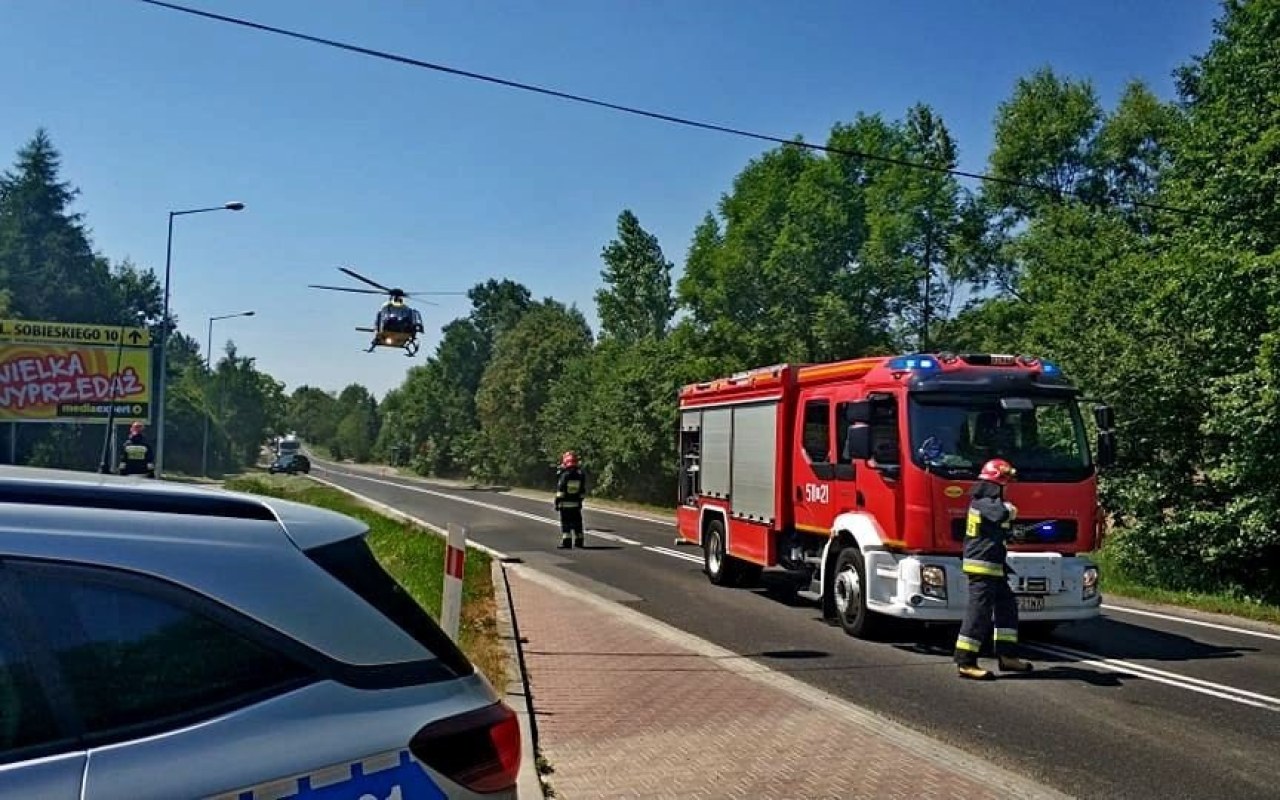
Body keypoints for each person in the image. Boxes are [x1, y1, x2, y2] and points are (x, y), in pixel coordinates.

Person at [953, 457, 1033, 679]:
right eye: (1003, 485)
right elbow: (1001, 513)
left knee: (1007, 607)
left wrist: (1011, 534)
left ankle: (1007, 656)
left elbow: (996, 527)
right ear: (994, 483)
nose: (1004, 490)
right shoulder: (984, 500)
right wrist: (1010, 510)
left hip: (994, 565)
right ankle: (965, 662)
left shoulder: (988, 501)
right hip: (982, 566)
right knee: (979, 613)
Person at [554, 451, 587, 549]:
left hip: (565, 505)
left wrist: (557, 502)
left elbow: (561, 491)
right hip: (576, 505)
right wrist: (580, 502)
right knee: (577, 524)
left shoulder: (565, 475)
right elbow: (582, 491)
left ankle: (567, 543)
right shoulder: (580, 475)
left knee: (566, 524)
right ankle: (579, 542)